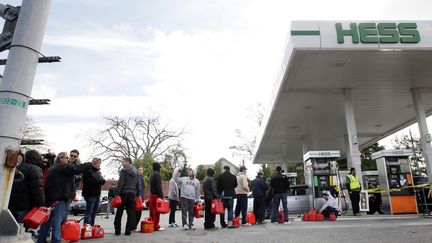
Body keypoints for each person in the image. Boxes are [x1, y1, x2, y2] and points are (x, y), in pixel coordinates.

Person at [37, 152, 96, 243]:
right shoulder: (63, 167)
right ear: (60, 158)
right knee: (57, 219)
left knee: (47, 221)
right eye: (66, 157)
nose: (68, 159)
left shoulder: (52, 168)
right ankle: (56, 239)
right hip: (59, 198)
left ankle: (41, 239)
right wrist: (91, 164)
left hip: (50, 198)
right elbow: (77, 168)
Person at [9, 150, 44, 236]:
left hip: (12, 205)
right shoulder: (35, 169)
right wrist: (40, 204)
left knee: (12, 231)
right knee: (22, 231)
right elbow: (38, 190)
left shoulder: (17, 168)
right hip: (26, 206)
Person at [114, 157, 140, 235]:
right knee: (131, 213)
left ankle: (117, 230)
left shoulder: (123, 171)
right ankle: (128, 231)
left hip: (123, 193)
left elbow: (121, 183)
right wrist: (137, 194)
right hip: (132, 194)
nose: (122, 163)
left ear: (128, 162)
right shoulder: (136, 172)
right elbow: (137, 183)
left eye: (123, 162)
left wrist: (117, 194)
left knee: (119, 212)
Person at [82, 157, 106, 226]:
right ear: (94, 163)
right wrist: (98, 181)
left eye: (100, 163)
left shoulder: (98, 172)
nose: (99, 165)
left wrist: (101, 181)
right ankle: (86, 227)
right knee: (89, 211)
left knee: (95, 211)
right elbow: (87, 182)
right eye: (98, 163)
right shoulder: (88, 170)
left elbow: (102, 180)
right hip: (90, 194)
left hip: (97, 194)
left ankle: (91, 226)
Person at [149, 162, 164, 231]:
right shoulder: (157, 174)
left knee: (152, 211)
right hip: (156, 196)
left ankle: (151, 224)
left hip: (151, 195)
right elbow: (158, 186)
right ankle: (156, 226)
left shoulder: (151, 175)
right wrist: (161, 196)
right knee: (156, 211)